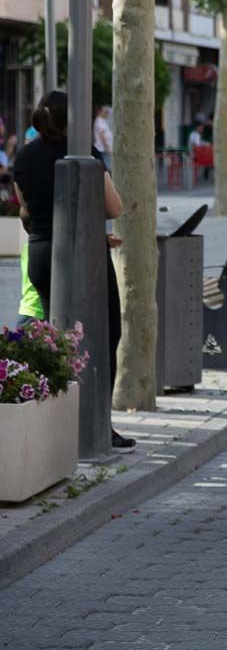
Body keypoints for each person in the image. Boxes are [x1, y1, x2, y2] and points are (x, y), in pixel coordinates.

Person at [12, 91, 132, 450]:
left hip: (41, 252)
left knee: (55, 340)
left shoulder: (25, 155)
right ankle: (98, 427)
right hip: (84, 256)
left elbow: (24, 209)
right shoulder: (84, 154)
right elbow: (114, 207)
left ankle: (56, 428)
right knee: (104, 336)